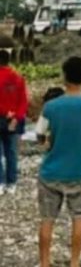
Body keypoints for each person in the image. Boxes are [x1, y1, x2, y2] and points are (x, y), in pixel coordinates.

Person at [35, 56, 81, 267]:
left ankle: (45, 262)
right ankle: (74, 262)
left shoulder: (51, 106)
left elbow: (40, 133)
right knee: (79, 216)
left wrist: (49, 141)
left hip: (51, 171)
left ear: (65, 76)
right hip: (79, 170)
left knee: (47, 219)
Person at [0, 49, 28, 195]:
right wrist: (16, 117)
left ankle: (0, 182)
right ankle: (12, 183)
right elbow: (24, 101)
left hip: (1, 118)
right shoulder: (18, 78)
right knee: (11, 153)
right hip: (16, 120)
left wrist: (5, 113)